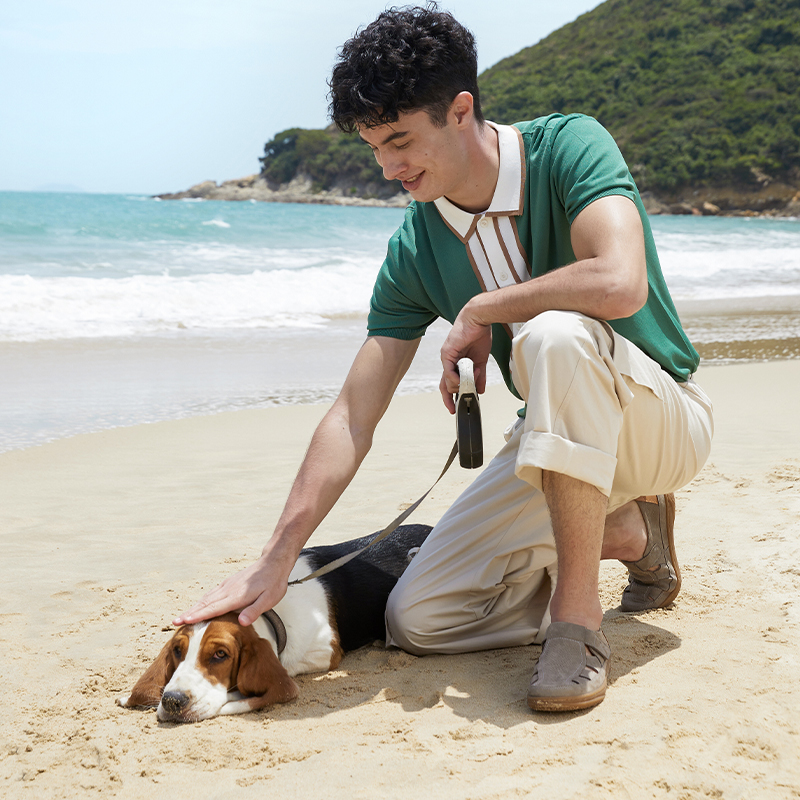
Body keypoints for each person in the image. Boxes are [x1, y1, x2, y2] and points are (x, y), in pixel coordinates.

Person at [175, 5, 713, 711]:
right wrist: (274, 561)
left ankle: (577, 627)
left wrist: (484, 309)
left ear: (461, 110)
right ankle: (629, 531)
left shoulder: (569, 147)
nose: (390, 166)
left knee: (553, 332)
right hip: (553, 444)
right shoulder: (415, 247)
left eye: (400, 140)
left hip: (660, 419)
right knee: (418, 619)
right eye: (375, 148)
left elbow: (618, 279)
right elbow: (351, 416)